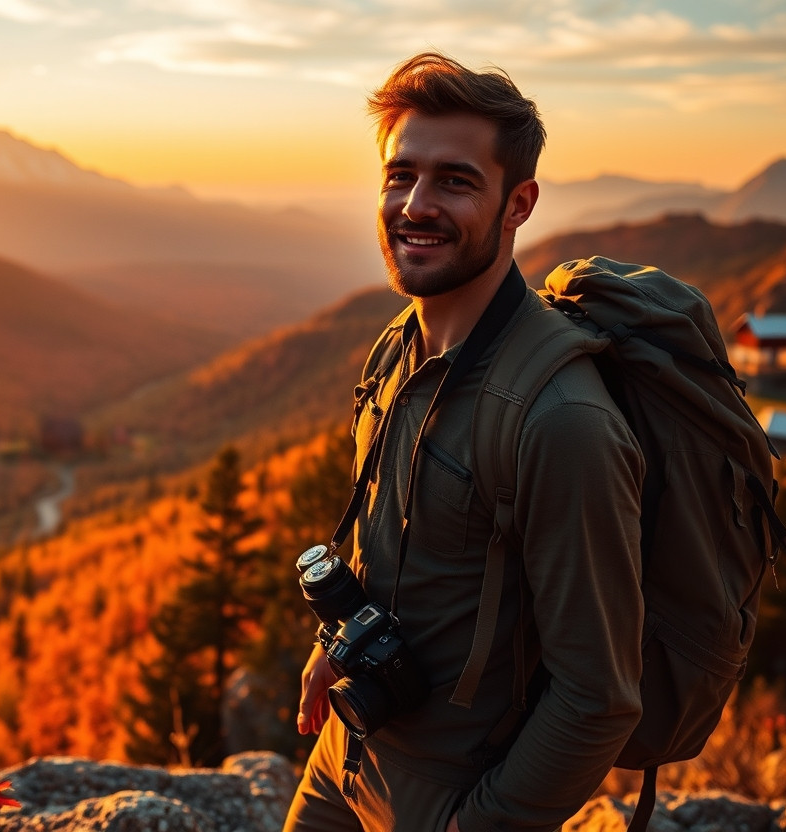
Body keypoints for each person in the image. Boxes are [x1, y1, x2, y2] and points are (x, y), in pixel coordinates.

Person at [284, 53, 645, 832]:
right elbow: (392, 537)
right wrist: (336, 639)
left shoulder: (560, 420)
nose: (415, 204)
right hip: (342, 760)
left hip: (447, 798)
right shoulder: (397, 349)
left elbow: (599, 696)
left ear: (519, 204)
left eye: (454, 181)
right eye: (399, 174)